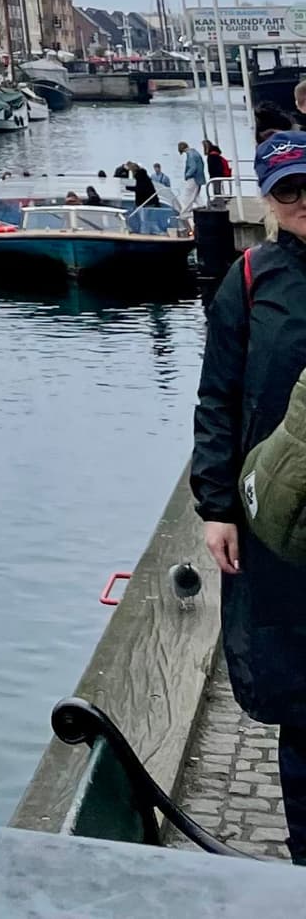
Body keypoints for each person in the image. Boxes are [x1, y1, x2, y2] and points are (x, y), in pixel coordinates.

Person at [195, 134, 306, 860]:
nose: (305, 205)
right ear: (268, 199)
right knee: (299, 696)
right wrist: (215, 507)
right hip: (279, 519)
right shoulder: (250, 277)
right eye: (289, 192)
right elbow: (218, 395)